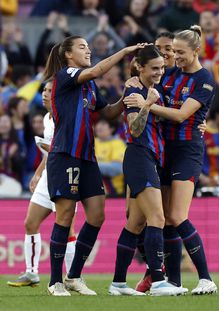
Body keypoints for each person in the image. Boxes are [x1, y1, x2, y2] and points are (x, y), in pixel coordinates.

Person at [42, 35, 141, 296]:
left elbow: (107, 112)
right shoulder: (65, 76)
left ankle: (73, 275)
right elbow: (97, 69)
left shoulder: (89, 86)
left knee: (97, 215)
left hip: (87, 156)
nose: (88, 51)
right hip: (65, 154)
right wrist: (125, 51)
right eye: (82, 47)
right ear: (68, 55)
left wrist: (129, 95)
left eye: (88, 47)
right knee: (65, 216)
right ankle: (55, 281)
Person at [125, 25, 217, 295]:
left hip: (187, 150)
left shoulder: (204, 79)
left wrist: (146, 104)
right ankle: (172, 281)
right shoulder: (171, 74)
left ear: (196, 51)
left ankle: (206, 278)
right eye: (173, 52)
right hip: (162, 148)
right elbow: (145, 81)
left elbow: (180, 116)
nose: (174, 57)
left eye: (180, 52)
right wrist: (133, 83)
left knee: (177, 215)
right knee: (161, 218)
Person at [109, 45, 186, 296]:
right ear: (139, 68)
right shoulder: (134, 89)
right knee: (158, 219)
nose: (159, 72)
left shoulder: (155, 90)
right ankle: (160, 280)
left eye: (162, 67)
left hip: (150, 158)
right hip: (139, 157)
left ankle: (118, 283)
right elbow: (134, 129)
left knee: (135, 223)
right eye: (154, 68)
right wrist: (146, 105)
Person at [7, 81, 77, 287]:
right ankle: (31, 273)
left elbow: (68, 148)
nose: (45, 94)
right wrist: (38, 174)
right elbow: (50, 153)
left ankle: (72, 277)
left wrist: (50, 147)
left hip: (65, 175)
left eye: (50, 90)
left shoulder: (66, 116)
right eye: (44, 90)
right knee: (30, 223)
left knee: (68, 230)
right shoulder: (47, 118)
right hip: (49, 175)